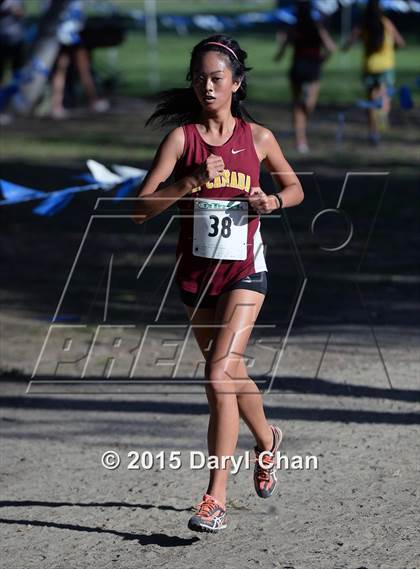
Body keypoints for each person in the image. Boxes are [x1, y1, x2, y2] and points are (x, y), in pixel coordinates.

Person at [132, 34, 304, 533]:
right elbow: (141, 211)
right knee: (227, 376)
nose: (208, 86)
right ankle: (268, 439)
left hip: (245, 270)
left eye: (217, 77)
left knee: (216, 376)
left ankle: (215, 499)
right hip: (196, 275)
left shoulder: (260, 139)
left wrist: (270, 202)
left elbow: (293, 189)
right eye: (200, 78)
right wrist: (188, 183)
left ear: (236, 83)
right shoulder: (181, 140)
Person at [274, 0, 336, 153]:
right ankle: (300, 139)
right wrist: (322, 59)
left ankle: (300, 137)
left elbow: (282, 50)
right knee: (306, 105)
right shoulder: (316, 26)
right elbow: (331, 48)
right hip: (310, 68)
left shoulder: (296, 27)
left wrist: (279, 55)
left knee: (300, 105)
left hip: (300, 67)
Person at [343, 0, 405, 145]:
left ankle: (374, 132)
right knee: (384, 97)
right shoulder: (386, 23)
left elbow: (348, 43)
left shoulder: (363, 25)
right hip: (386, 66)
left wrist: (350, 44)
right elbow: (401, 42)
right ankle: (383, 114)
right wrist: (392, 48)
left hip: (369, 67)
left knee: (371, 101)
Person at [46, 0, 109, 119]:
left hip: (62, 34)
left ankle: (56, 106)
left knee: (62, 70)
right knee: (81, 69)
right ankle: (93, 101)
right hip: (72, 34)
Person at [0, 0, 25, 124]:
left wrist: (16, 11)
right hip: (2, 40)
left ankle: (14, 106)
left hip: (16, 40)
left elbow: (23, 13)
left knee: (17, 74)